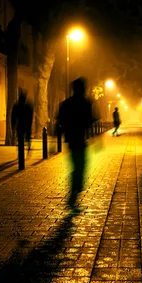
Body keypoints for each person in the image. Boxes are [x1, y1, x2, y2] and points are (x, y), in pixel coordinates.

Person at [57, 77, 96, 208]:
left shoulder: (66, 103)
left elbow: (60, 122)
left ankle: (75, 189)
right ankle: (76, 189)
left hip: (70, 139)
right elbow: (89, 121)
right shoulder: (86, 103)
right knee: (80, 166)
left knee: (76, 166)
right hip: (80, 139)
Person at [11, 88, 33, 167]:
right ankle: (26, 151)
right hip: (25, 124)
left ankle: (22, 152)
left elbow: (13, 117)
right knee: (25, 138)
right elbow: (30, 116)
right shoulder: (27, 105)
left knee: (21, 138)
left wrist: (13, 126)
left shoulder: (17, 105)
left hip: (21, 124)